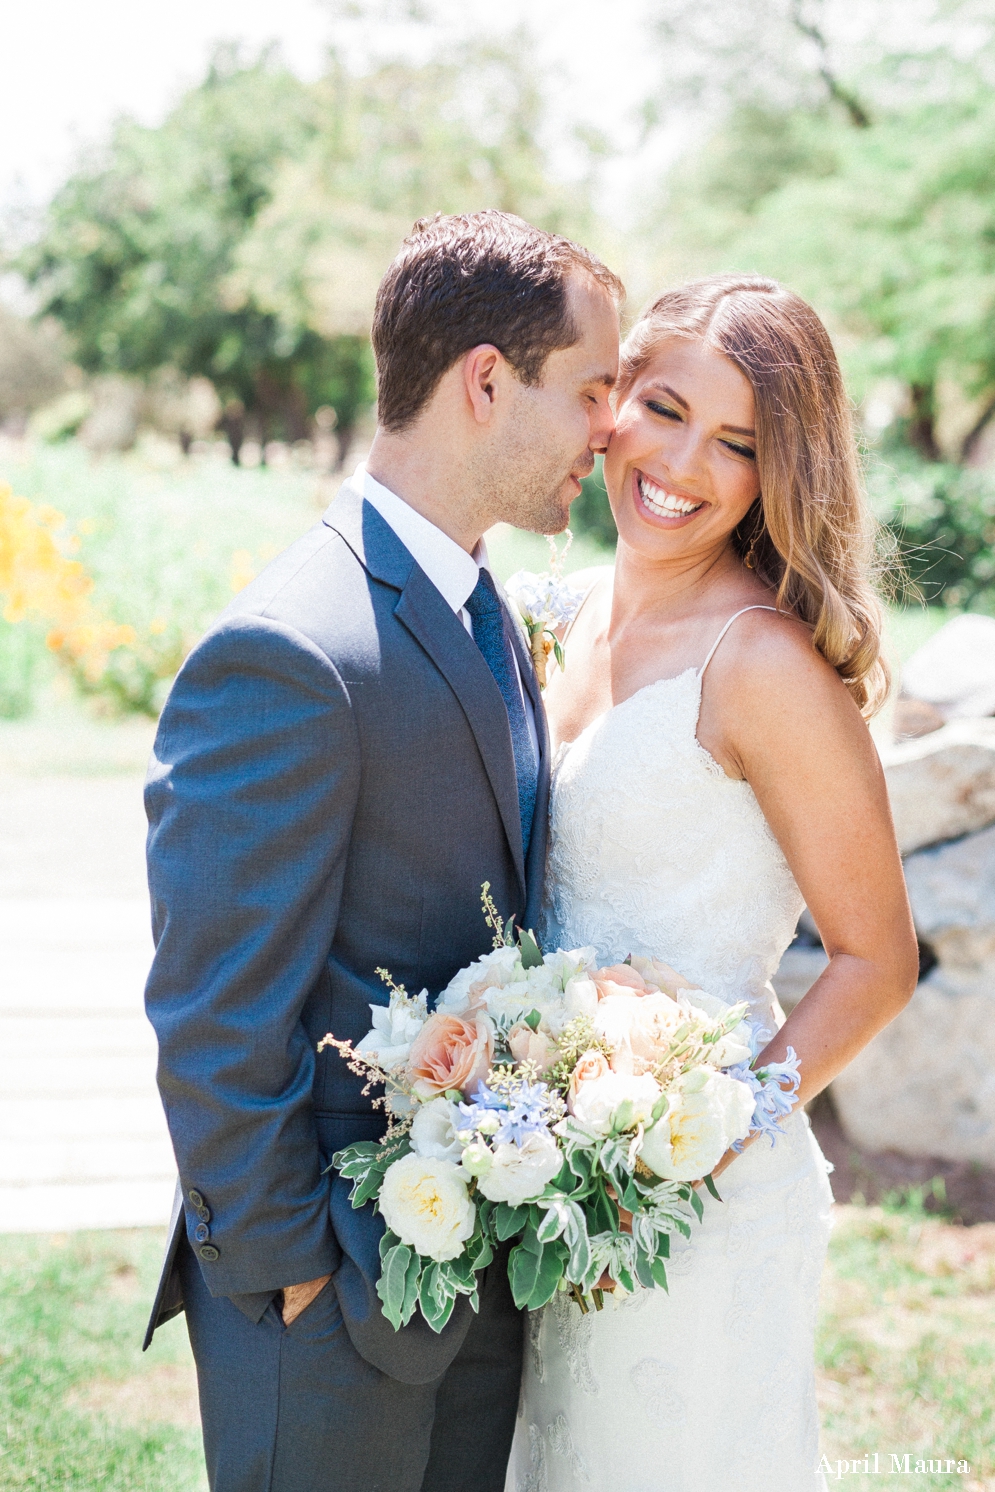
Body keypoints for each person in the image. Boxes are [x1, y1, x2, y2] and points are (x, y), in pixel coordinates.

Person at [141, 209, 621, 1492]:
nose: (609, 431)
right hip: (330, 1304)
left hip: (467, 1282)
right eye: (590, 390)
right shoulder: (289, 650)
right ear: (482, 381)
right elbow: (211, 1012)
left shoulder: (486, 611)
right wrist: (294, 1268)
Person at [507, 274, 919, 1492]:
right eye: (662, 406)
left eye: (735, 442)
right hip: (536, 1185)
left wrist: (700, 1139)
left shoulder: (763, 668)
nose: (681, 461)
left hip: (693, 1209)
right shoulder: (550, 616)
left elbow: (875, 961)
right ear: (610, 399)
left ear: (773, 474)